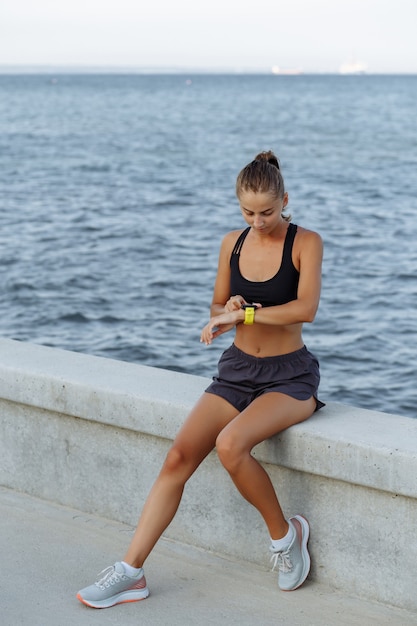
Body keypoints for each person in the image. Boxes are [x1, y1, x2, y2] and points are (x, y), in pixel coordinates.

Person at [77, 150, 324, 609]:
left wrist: (246, 313)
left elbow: (305, 309)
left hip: (289, 377)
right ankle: (131, 572)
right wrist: (225, 313)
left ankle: (286, 538)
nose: (258, 221)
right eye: (248, 212)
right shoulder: (232, 243)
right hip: (237, 372)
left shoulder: (305, 242)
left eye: (267, 212)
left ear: (285, 200)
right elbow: (216, 305)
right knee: (178, 456)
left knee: (231, 446)